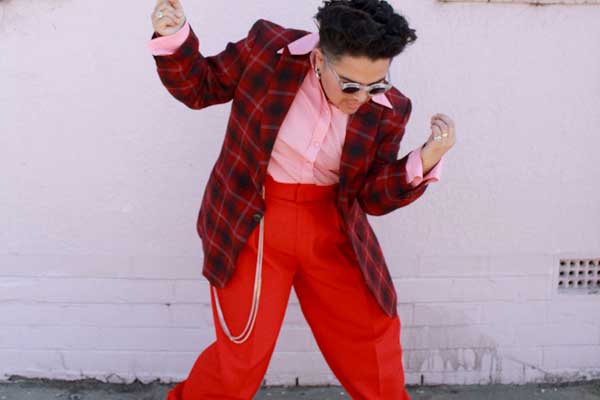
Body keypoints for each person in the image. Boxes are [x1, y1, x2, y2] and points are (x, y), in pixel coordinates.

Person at [148, 0, 456, 398]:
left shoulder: (390, 109)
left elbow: (371, 198)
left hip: (331, 227)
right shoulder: (268, 50)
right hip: (255, 223)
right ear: (319, 59)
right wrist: (175, 38)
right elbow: (200, 87)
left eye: (377, 84)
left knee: (373, 339)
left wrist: (423, 159)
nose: (361, 98)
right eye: (350, 85)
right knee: (241, 356)